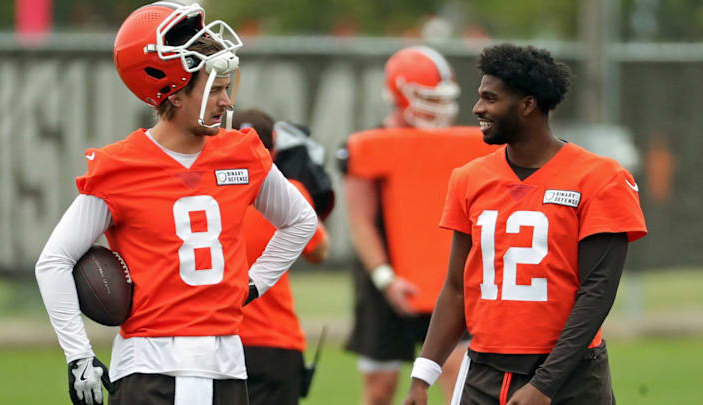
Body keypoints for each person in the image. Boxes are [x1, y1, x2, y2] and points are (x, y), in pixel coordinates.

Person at [34, 3, 317, 405]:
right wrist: (78, 355)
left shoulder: (243, 153)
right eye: (215, 89)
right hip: (150, 367)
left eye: (226, 88)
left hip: (227, 366)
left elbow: (300, 222)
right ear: (173, 91)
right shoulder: (122, 166)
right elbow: (54, 261)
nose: (227, 103)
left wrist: (255, 283)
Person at [403, 44, 648, 405]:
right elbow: (457, 287)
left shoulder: (601, 178)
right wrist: (423, 376)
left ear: (528, 105)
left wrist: (545, 384)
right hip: (484, 370)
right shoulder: (469, 179)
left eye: (490, 98)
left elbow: (597, 293)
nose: (478, 109)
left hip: (570, 376)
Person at [339, 46, 498, 405]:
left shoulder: (461, 146)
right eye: (427, 98)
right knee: (380, 389)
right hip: (385, 276)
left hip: (445, 277)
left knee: (459, 375)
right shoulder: (370, 146)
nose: (436, 108)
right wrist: (386, 278)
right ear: (400, 94)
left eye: (441, 99)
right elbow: (361, 221)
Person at [232, 109, 333, 405]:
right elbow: (319, 251)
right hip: (274, 343)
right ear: (273, 148)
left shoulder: (204, 192)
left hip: (215, 340)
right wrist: (305, 185)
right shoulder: (291, 192)